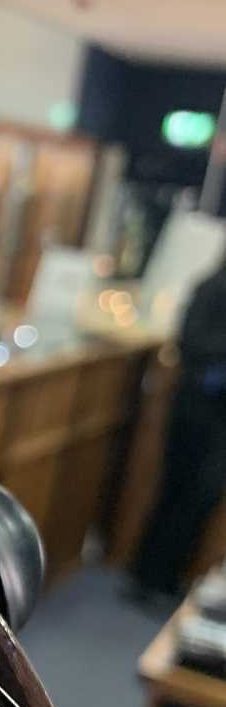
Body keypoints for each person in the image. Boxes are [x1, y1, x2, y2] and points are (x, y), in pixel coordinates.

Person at [132, 253, 226, 598]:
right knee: (176, 491)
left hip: (218, 418)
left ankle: (167, 576)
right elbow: (189, 342)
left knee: (202, 497)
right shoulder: (212, 287)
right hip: (195, 408)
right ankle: (147, 575)